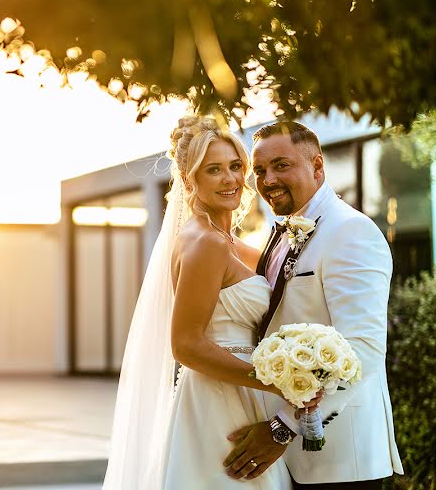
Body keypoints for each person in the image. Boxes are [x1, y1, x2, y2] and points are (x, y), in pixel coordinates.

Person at [103, 115, 314, 489]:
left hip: (241, 390)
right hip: (219, 398)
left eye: (235, 166)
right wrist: (276, 383)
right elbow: (186, 344)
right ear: (189, 180)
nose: (230, 179)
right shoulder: (206, 243)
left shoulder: (228, 243)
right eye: (213, 169)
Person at [223, 121, 404, 489]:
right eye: (259, 170)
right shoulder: (283, 234)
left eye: (281, 165)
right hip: (290, 462)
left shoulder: (350, 231)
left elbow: (362, 351)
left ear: (317, 166)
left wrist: (282, 428)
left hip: (341, 459)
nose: (268, 179)